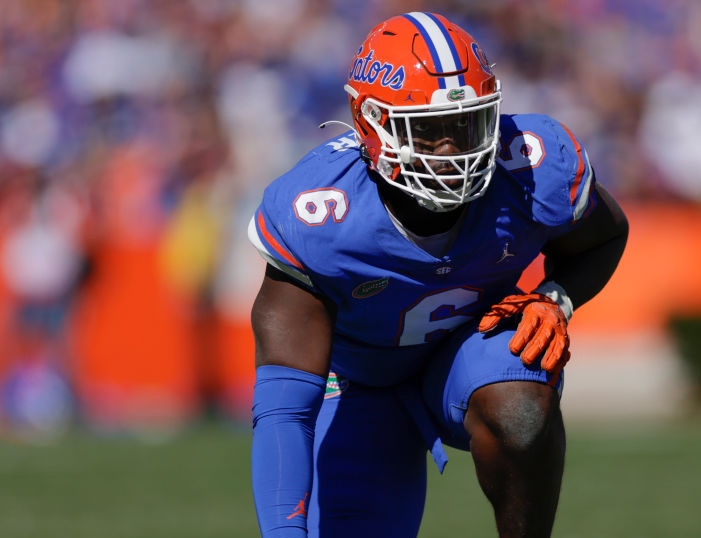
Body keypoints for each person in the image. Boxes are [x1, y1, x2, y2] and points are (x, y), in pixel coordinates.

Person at [247, 12, 628, 538]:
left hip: (468, 358)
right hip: (358, 382)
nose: (452, 147)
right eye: (426, 130)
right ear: (370, 124)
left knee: (518, 388)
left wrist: (555, 296)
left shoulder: (531, 165)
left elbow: (606, 234)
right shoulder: (320, 216)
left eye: (465, 124)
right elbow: (284, 408)